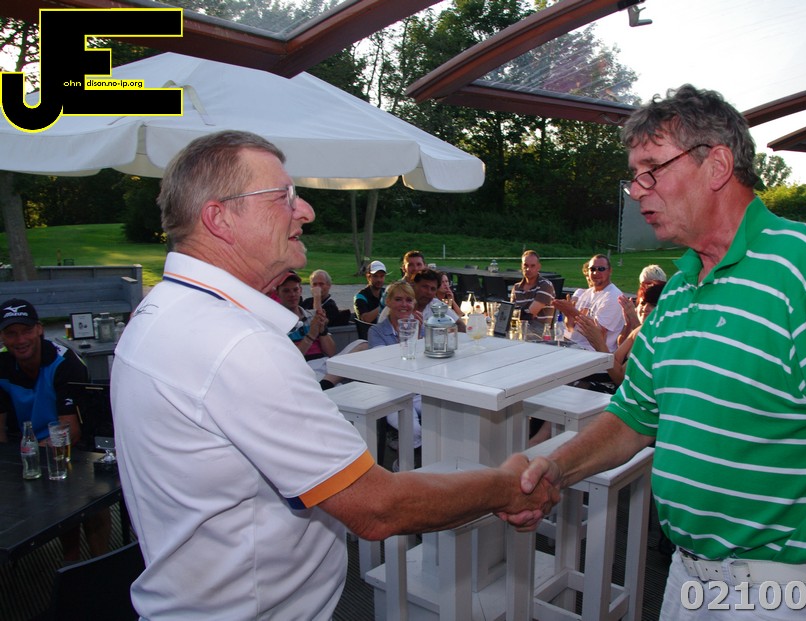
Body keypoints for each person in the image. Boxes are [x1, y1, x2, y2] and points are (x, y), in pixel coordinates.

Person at [506, 86, 806, 620]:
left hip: (789, 588)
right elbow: (634, 417)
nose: (636, 191)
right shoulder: (681, 288)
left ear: (718, 165)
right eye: (634, 175)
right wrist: (555, 468)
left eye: (651, 170)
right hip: (689, 576)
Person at [110, 130, 556, 620]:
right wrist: (507, 485)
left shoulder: (158, 312)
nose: (306, 211)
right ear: (219, 218)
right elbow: (378, 507)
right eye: (283, 196)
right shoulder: (236, 345)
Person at [0, 299, 111, 564]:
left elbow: (70, 431)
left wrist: (30, 453)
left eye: (26, 331)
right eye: (11, 333)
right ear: (2, 336)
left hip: (74, 445)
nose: (20, 340)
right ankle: (68, 563)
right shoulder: (2, 365)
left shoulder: (65, 362)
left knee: (88, 494)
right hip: (23, 447)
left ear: (39, 329)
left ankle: (100, 563)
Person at [368, 280, 425, 468]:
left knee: (445, 418)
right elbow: (384, 365)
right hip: (391, 392)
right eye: (398, 299)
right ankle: (402, 467)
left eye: (409, 300)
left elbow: (427, 364)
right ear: (388, 302)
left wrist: (418, 336)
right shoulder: (377, 331)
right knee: (413, 430)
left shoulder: (421, 328)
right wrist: (409, 340)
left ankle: (432, 465)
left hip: (418, 390)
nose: (404, 305)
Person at [575, 279, 665, 388]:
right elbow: (615, 360)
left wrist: (599, 344)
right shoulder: (640, 330)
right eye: (643, 303)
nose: (645, 308)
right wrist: (629, 324)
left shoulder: (657, 337)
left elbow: (620, 379)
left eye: (653, 305)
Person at [553, 254, 624, 351]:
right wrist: (568, 313)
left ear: (610, 271)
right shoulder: (587, 293)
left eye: (601, 269)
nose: (595, 273)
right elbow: (571, 328)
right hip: (572, 345)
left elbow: (599, 333)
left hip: (594, 352)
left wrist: (572, 311)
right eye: (592, 269)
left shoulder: (613, 296)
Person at [510, 250, 555, 338]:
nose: (528, 269)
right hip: (520, 328)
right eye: (525, 265)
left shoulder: (545, 285)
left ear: (538, 267)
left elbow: (529, 315)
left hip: (540, 333)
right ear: (521, 266)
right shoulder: (516, 287)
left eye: (532, 266)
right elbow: (512, 313)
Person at [354, 260, 387, 324]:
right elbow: (365, 319)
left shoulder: (386, 293)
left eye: (382, 276)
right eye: (375, 276)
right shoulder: (360, 297)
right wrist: (383, 305)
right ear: (368, 277)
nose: (379, 280)